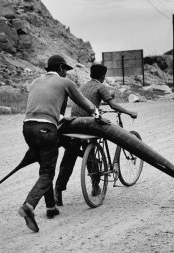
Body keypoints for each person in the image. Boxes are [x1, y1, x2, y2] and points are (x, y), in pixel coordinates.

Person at [18, 55, 98, 232]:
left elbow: (41, 106)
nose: (66, 73)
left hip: (27, 127)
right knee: (48, 172)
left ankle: (51, 208)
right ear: (61, 68)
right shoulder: (64, 82)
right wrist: (96, 112)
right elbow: (84, 102)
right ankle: (29, 205)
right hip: (46, 129)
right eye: (66, 70)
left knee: (44, 168)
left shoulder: (36, 81)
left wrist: (61, 117)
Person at [54, 63, 138, 206]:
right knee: (92, 154)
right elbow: (113, 105)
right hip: (88, 124)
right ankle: (95, 186)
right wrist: (130, 112)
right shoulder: (101, 87)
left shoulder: (83, 86)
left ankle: (58, 190)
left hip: (74, 124)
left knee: (69, 157)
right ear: (103, 76)